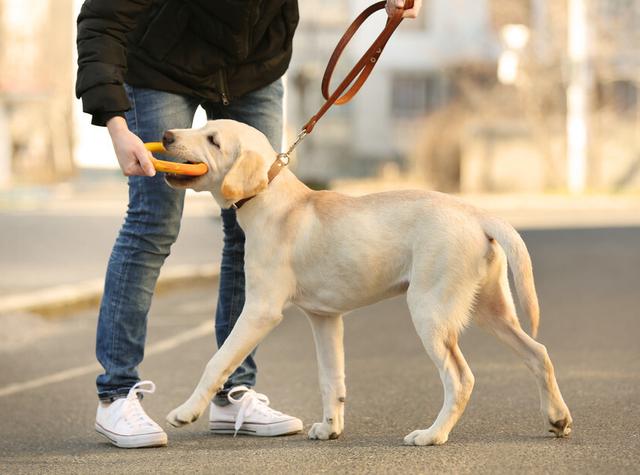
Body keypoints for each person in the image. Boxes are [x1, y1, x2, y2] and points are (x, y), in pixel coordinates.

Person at [76, 0, 421, 449]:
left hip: (252, 68)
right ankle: (116, 395)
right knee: (153, 221)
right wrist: (116, 126)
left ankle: (231, 393)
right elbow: (103, 18)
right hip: (161, 66)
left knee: (257, 220)